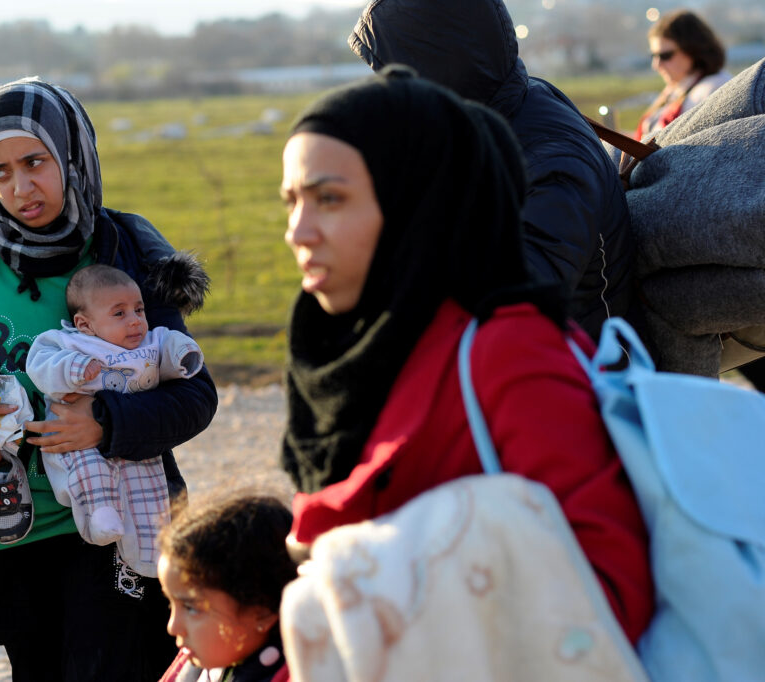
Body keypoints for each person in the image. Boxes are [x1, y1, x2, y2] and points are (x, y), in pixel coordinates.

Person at [278, 67, 654, 645]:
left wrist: (357, 570)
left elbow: (610, 593)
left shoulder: (508, 349)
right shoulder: (344, 349)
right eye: (291, 202)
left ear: (417, 201)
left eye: (330, 198)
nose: (298, 232)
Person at [0, 76, 217, 680]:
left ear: (72, 155)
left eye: (35, 162)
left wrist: (105, 424)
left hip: (110, 526)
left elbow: (193, 396)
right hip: (5, 527)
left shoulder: (124, 250)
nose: (19, 186)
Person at [347, 0, 634, 342]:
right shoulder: (501, 111)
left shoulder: (548, 162)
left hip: (585, 377)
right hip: (529, 363)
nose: (390, 91)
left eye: (395, 75)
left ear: (441, 66)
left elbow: (514, 303)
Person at [26, 263, 205, 577]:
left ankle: (150, 556)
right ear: (85, 324)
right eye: (119, 314)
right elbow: (41, 363)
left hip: (132, 436)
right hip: (77, 441)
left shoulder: (150, 341)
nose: (135, 321)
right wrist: (75, 368)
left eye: (139, 309)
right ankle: (101, 514)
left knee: (149, 487)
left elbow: (173, 346)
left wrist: (184, 356)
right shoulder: (72, 342)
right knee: (88, 468)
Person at [157, 493, 296, 682]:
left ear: (262, 613)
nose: (172, 627)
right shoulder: (195, 667)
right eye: (170, 604)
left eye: (191, 607)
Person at [636, 9, 731, 140]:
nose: (656, 65)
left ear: (693, 49)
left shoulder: (714, 87)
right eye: (653, 55)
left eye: (665, 56)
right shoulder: (679, 85)